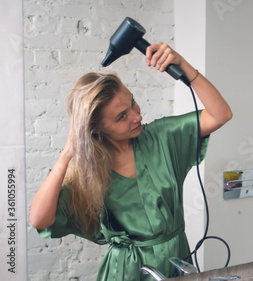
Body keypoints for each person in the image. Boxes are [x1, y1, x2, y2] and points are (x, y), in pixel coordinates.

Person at [29, 42, 232, 280]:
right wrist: (67, 154)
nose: (138, 116)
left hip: (176, 260)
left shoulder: (162, 137)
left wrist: (182, 65)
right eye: (122, 116)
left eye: (132, 102)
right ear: (97, 129)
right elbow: (39, 219)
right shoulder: (89, 171)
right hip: (125, 271)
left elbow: (221, 114)